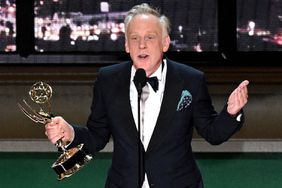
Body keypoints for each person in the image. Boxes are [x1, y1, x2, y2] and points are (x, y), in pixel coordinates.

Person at [45, 3, 249, 188]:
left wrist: (231, 113)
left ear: (165, 43)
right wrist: (70, 132)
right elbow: (97, 137)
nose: (141, 45)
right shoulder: (108, 80)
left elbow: (212, 133)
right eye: (134, 38)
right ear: (126, 45)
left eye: (150, 37)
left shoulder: (190, 80)